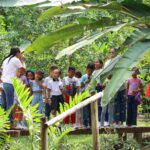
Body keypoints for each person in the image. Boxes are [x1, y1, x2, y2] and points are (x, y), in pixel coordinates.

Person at [1, 48, 26, 128]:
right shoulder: (15, 59)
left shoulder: (6, 59)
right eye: (20, 53)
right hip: (10, 83)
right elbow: (23, 70)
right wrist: (23, 60)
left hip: (4, 83)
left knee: (5, 104)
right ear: (18, 53)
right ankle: (10, 123)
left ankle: (4, 123)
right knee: (10, 104)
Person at [81, 63, 95, 128]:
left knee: (92, 109)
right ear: (86, 70)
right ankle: (85, 124)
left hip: (92, 94)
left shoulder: (95, 76)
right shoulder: (84, 76)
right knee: (85, 110)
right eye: (88, 70)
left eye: (91, 71)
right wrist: (86, 81)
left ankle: (91, 124)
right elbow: (80, 86)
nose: (89, 72)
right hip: (84, 95)